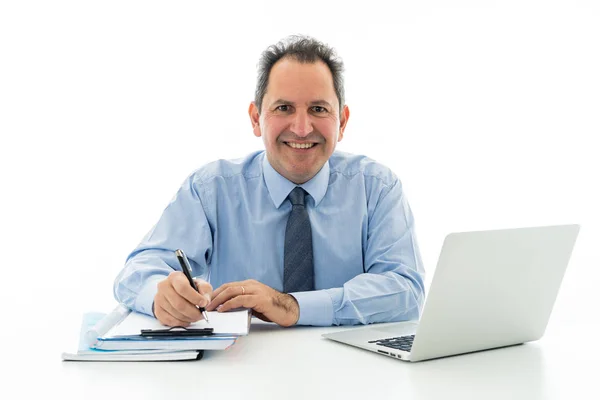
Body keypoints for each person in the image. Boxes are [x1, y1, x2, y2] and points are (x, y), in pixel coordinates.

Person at [113, 35, 425, 328]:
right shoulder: (211, 189)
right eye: (283, 108)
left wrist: (291, 306)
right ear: (255, 118)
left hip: (354, 372)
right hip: (240, 371)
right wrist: (160, 294)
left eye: (318, 109)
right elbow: (136, 272)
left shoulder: (377, 188)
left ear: (341, 122)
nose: (302, 128)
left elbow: (405, 290)